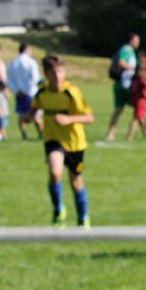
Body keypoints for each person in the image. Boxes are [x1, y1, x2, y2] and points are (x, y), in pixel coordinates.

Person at [27, 54, 94, 229]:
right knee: (55, 172)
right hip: (53, 140)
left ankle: (83, 218)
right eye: (53, 72)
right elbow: (34, 110)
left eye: (60, 71)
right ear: (46, 74)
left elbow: (89, 117)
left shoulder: (71, 92)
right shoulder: (42, 93)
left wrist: (68, 119)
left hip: (75, 142)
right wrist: (30, 118)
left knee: (76, 181)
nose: (58, 76)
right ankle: (58, 210)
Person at [103, 32, 140, 142]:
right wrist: (133, 69)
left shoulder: (128, 50)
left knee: (119, 109)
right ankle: (132, 135)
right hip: (126, 85)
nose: (138, 42)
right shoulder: (127, 50)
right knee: (140, 108)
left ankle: (110, 133)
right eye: (137, 40)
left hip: (121, 84)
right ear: (131, 40)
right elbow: (121, 62)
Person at [7, 43, 42, 140]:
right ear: (27, 49)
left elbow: (9, 79)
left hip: (19, 93)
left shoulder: (13, 63)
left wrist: (16, 90)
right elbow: (35, 78)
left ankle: (24, 136)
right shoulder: (31, 62)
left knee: (21, 116)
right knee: (36, 115)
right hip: (31, 93)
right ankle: (41, 134)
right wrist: (31, 89)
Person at [125, 61, 146, 142]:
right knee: (136, 119)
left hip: (138, 101)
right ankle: (129, 137)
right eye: (144, 71)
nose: (145, 73)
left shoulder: (135, 79)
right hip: (140, 101)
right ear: (139, 71)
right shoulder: (142, 80)